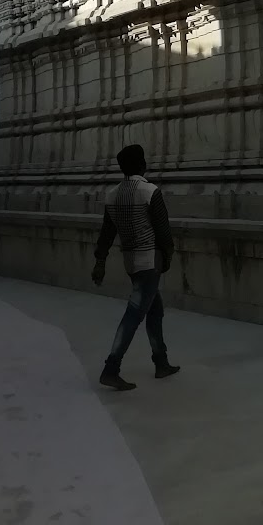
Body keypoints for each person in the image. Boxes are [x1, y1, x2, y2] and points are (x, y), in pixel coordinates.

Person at [92, 143, 179, 391]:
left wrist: (100, 261)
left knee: (154, 309)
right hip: (150, 260)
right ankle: (111, 367)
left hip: (131, 261)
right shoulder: (150, 191)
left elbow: (106, 234)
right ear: (142, 164)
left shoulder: (112, 195)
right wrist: (169, 257)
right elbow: (163, 232)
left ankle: (161, 361)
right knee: (134, 315)